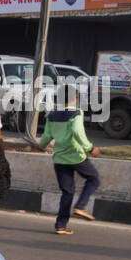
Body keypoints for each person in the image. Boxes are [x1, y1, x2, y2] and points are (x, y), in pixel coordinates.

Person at [37, 100, 100, 234]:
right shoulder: (76, 112)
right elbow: (77, 132)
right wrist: (90, 148)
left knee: (67, 192)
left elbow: (47, 136)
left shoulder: (52, 115)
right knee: (93, 178)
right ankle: (80, 206)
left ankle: (61, 225)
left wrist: (41, 145)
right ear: (74, 98)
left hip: (59, 158)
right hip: (76, 156)